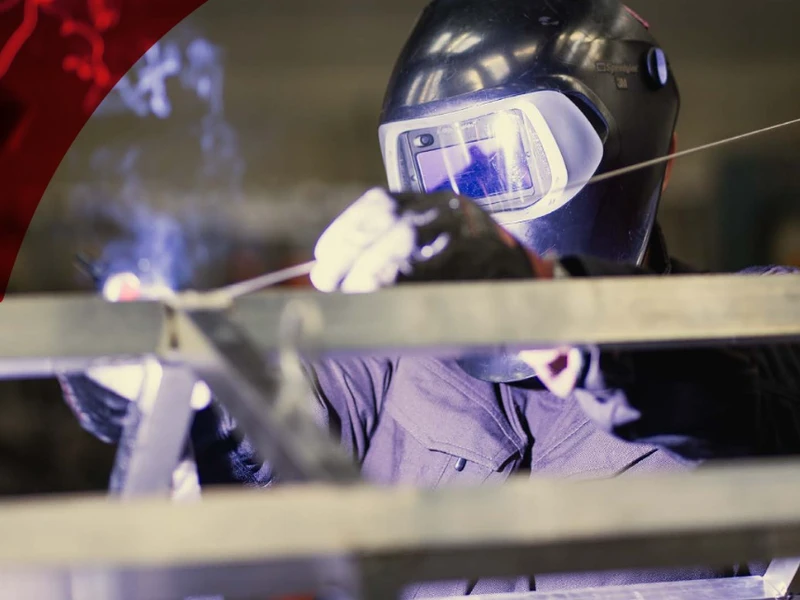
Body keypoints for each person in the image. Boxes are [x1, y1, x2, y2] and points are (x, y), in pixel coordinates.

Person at [59, 0, 800, 596]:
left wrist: (537, 303)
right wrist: (148, 376)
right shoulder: (393, 366)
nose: (466, 203)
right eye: (441, 172)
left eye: (494, 164)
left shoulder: (760, 318)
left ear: (644, 158)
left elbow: (732, 382)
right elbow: (266, 415)